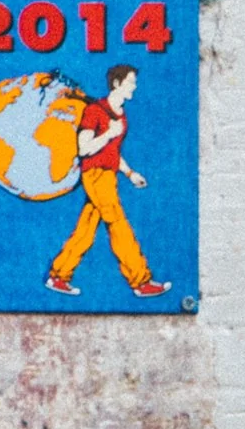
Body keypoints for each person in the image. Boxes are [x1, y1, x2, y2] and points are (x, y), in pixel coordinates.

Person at [45, 62, 169, 299]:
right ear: (116, 84)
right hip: (95, 174)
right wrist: (108, 133)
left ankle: (59, 275)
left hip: (109, 174)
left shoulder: (120, 117)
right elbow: (84, 148)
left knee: (87, 227)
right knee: (118, 223)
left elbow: (112, 152)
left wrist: (130, 173)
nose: (134, 86)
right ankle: (140, 280)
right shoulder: (95, 112)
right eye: (131, 82)